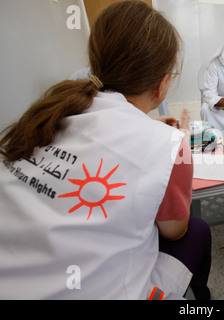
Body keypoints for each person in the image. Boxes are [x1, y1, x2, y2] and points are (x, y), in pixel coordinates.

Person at [0, 1, 211, 300]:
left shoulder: (46, 114)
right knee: (197, 231)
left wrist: (148, 126)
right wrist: (168, 136)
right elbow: (174, 231)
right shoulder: (170, 145)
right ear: (162, 85)